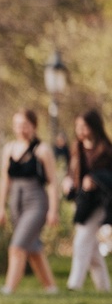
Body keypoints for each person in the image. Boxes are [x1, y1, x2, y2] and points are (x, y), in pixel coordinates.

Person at [0, 109, 59, 295]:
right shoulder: (9, 149)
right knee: (33, 248)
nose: (20, 129)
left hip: (36, 201)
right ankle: (51, 288)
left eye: (24, 125)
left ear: (34, 126)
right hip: (16, 201)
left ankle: (9, 288)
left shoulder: (42, 150)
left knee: (18, 246)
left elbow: (53, 182)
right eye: (17, 125)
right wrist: (1, 208)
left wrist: (53, 210)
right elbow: (5, 180)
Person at [63, 109, 111, 292]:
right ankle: (104, 288)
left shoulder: (106, 151)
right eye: (78, 126)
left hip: (99, 204)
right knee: (92, 252)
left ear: (93, 127)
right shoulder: (77, 149)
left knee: (82, 240)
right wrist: (68, 182)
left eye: (84, 126)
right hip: (83, 202)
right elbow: (72, 172)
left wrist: (96, 180)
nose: (80, 130)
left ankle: (74, 284)